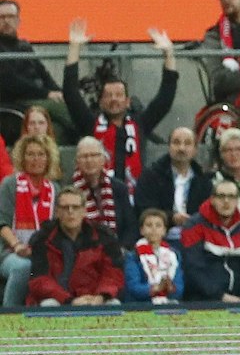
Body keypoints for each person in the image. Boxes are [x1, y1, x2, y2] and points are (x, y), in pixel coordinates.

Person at [62, 21, 180, 195]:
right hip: (99, 198)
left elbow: (165, 98)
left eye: (118, 95)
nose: (114, 99)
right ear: (100, 102)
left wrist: (169, 53)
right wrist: (74, 48)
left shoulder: (140, 123)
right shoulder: (90, 124)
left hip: (135, 197)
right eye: (108, 95)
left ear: (127, 101)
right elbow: (71, 93)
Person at [27, 186, 124, 306]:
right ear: (57, 211)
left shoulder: (104, 236)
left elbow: (113, 273)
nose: (70, 212)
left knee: (113, 303)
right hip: (58, 299)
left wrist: (101, 296)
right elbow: (39, 280)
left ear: (84, 211)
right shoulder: (42, 238)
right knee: (49, 304)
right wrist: (69, 300)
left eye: (75, 207)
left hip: (94, 297)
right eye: (65, 207)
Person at [0, 133, 61, 306]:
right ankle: (9, 314)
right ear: (22, 157)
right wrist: (17, 246)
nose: (36, 159)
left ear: (48, 158)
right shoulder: (10, 184)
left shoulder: (55, 189)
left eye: (41, 154)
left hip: (43, 251)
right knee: (23, 267)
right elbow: (2, 222)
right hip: (9, 251)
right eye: (30, 154)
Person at [179, 178, 240, 301]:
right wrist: (222, 297)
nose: (226, 201)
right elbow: (193, 270)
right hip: (204, 299)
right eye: (221, 196)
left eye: (231, 196)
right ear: (212, 199)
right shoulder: (193, 226)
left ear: (237, 201)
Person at [135, 125, 212, 238]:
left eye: (187, 143)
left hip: (194, 237)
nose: (181, 148)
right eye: (176, 142)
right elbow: (144, 209)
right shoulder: (151, 176)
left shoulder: (203, 181)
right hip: (158, 237)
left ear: (195, 149)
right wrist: (172, 218)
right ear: (169, 147)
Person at [122, 207, 184, 303]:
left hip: (168, 303)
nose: (154, 229)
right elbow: (133, 287)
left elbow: (179, 288)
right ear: (141, 230)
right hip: (141, 305)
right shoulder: (133, 256)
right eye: (149, 225)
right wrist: (156, 288)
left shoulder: (174, 255)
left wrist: (170, 287)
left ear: (164, 231)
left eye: (158, 225)